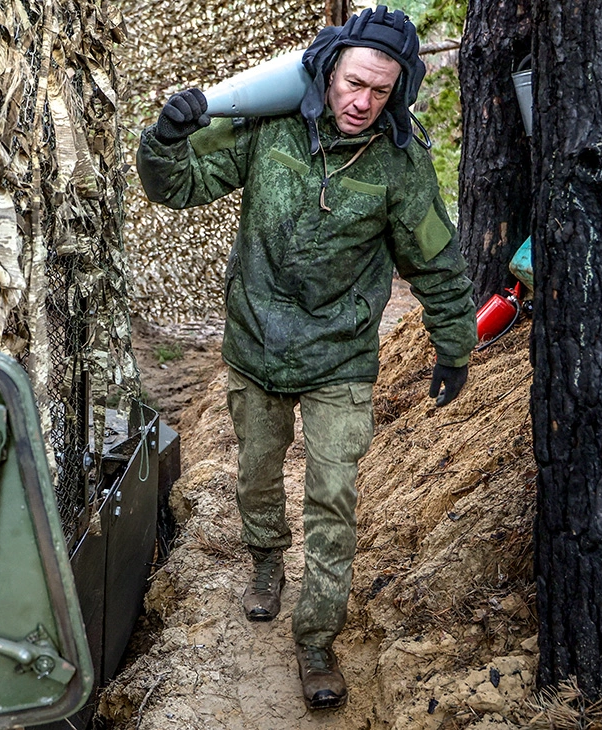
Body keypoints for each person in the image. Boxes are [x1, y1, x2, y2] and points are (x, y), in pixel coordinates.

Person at [135, 5, 477, 711]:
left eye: (381, 90)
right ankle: (265, 563)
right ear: (326, 74)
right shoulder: (270, 128)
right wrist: (165, 137)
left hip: (340, 358)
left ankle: (317, 642)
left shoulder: (400, 163)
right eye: (354, 83)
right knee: (258, 474)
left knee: (332, 498)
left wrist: (454, 346)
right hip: (256, 344)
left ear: (399, 91)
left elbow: (436, 262)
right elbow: (177, 186)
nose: (363, 102)